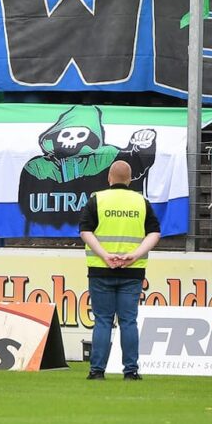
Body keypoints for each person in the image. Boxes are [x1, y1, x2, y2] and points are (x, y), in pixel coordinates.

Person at [78, 159, 160, 382]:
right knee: (128, 321)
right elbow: (154, 233)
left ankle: (97, 371)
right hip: (132, 271)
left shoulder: (97, 199)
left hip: (101, 269)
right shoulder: (141, 202)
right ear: (131, 179)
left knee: (103, 320)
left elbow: (85, 231)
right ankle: (130, 371)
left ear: (109, 178)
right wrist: (134, 255)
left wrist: (105, 255)